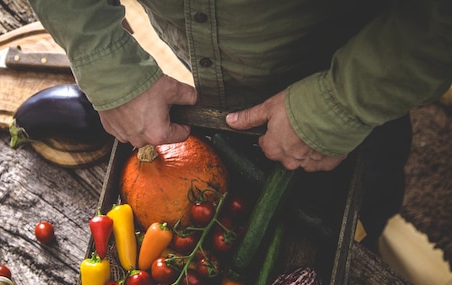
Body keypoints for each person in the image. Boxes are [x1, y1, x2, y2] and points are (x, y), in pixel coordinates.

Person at [29, 0, 452, 248]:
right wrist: (104, 61)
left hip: (353, 70)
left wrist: (341, 104)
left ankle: (371, 237)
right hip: (204, 68)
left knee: (371, 190)